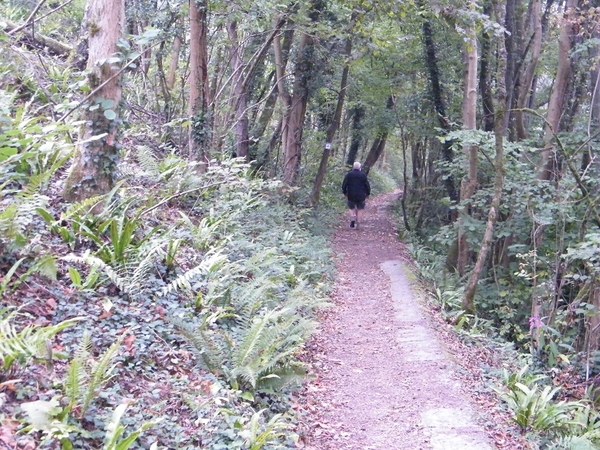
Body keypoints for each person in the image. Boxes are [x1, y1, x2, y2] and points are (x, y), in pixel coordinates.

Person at [342, 161, 370, 228]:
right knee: (360, 209)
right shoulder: (363, 175)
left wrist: (345, 192)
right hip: (361, 194)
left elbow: (344, 184)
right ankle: (358, 224)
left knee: (351, 207)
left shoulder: (349, 174)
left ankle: (352, 217)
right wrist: (368, 193)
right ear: (360, 167)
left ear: (353, 167)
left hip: (351, 193)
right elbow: (367, 185)